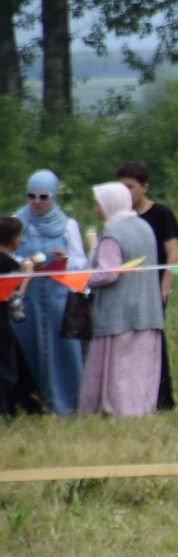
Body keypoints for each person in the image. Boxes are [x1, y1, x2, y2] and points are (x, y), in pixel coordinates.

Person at [77, 183, 164, 417]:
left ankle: (114, 411)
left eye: (98, 203)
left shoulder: (113, 234)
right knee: (140, 368)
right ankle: (140, 411)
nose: (95, 208)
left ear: (109, 204)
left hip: (118, 313)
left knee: (119, 371)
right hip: (147, 310)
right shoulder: (144, 227)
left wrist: (81, 278)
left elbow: (109, 272)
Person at [12, 170, 87, 415]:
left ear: (53, 197)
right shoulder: (18, 222)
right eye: (31, 196)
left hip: (58, 300)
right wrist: (27, 261)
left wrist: (64, 259)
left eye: (43, 196)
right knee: (27, 350)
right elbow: (9, 257)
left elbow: (80, 262)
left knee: (63, 352)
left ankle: (68, 404)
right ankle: (33, 404)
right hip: (27, 299)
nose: (36, 202)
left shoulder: (68, 225)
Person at [116, 162, 178, 410]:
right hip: (127, 291)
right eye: (120, 188)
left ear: (144, 186)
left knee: (155, 343)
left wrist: (163, 290)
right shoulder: (120, 219)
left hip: (153, 290)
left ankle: (163, 399)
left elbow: (172, 254)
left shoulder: (161, 214)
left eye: (130, 187)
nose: (126, 193)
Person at [0, 215, 29, 414]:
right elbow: (14, 297)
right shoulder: (8, 265)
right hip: (1, 325)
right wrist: (26, 275)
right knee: (6, 373)